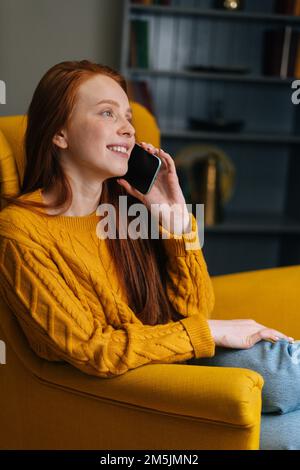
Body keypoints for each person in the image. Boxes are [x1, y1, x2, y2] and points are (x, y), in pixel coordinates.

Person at [0, 60, 298, 448]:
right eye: (107, 113)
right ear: (59, 133)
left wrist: (177, 224)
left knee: (288, 430)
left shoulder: (128, 212)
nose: (127, 127)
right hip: (117, 389)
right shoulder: (20, 230)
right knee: (284, 372)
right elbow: (91, 349)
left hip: (162, 364)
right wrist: (211, 332)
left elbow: (195, 308)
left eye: (127, 116)